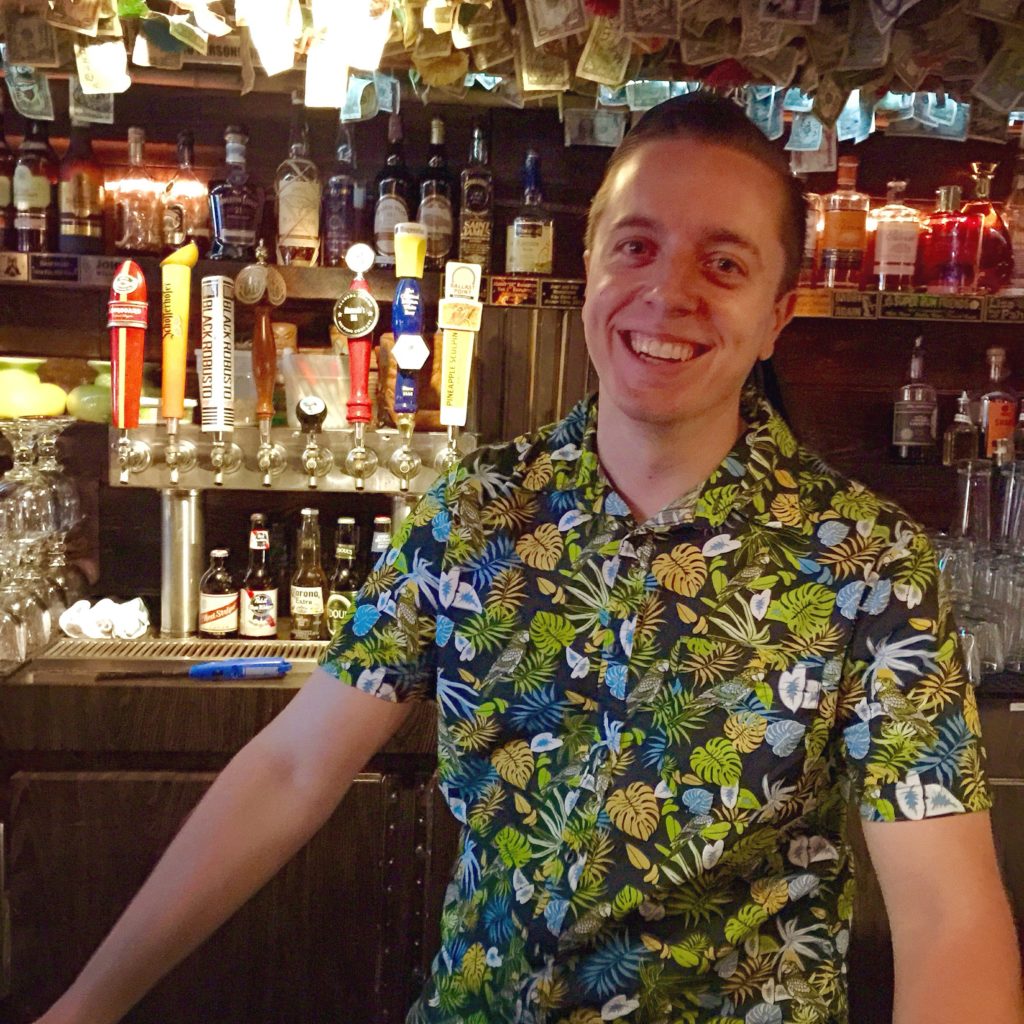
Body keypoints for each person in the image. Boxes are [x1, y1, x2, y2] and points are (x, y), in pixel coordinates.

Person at [36, 91, 1023, 1024]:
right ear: (589, 267)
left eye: (723, 264)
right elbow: (295, 766)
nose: (667, 290)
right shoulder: (477, 508)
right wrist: (89, 1004)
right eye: (635, 246)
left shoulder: (865, 561)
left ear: (775, 315)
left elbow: (946, 908)